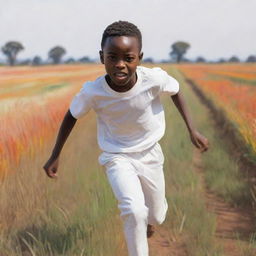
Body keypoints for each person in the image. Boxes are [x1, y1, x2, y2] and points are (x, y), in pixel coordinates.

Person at [43, 20, 209, 256]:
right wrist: (55, 155)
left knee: (156, 215)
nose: (120, 65)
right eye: (112, 57)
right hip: (116, 156)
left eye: (128, 58)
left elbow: (176, 90)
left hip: (150, 152)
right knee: (133, 210)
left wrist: (192, 129)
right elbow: (71, 115)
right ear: (102, 57)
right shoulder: (93, 92)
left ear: (139, 57)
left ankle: (150, 222)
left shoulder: (153, 79)